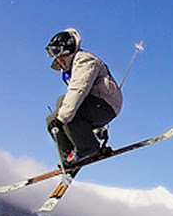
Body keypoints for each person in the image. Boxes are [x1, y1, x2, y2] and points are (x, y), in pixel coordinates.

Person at [45, 28, 123, 164]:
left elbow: (78, 91)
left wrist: (61, 119)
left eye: (57, 52)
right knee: (53, 117)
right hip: (94, 105)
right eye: (53, 53)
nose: (57, 58)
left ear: (67, 49)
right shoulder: (69, 68)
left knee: (66, 113)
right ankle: (70, 156)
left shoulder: (85, 61)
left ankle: (88, 149)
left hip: (106, 105)